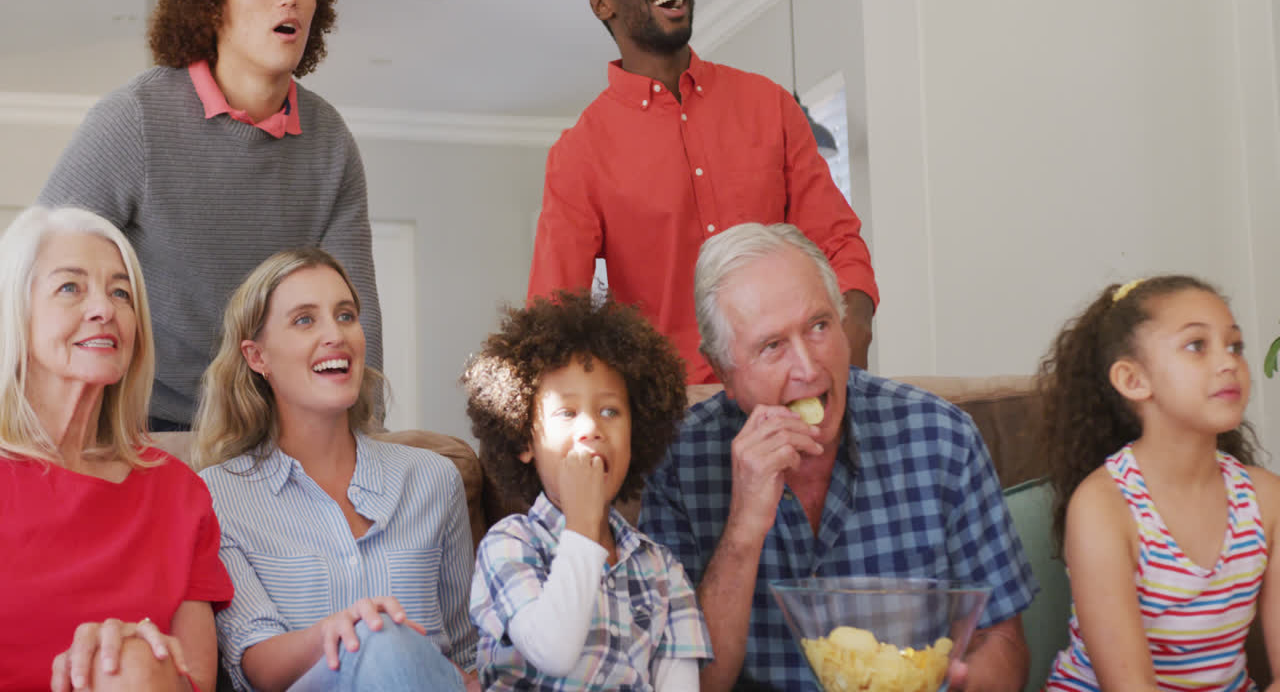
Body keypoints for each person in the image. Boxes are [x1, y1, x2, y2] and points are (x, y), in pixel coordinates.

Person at [639, 222, 1035, 692]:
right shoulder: (677, 465)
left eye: (820, 326)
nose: (808, 368)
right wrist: (744, 529)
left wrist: (968, 684)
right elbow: (691, 684)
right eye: (773, 346)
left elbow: (1000, 637)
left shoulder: (941, 437)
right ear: (725, 372)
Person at [37, 0, 381, 432]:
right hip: (138, 418)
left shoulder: (331, 141)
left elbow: (358, 312)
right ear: (212, 3)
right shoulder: (134, 118)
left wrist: (369, 437)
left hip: (268, 419)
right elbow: (37, 276)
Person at [527, 0, 878, 385]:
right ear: (602, 4)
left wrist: (852, 335)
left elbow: (838, 243)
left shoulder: (771, 106)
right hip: (673, 412)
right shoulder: (579, 154)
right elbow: (555, 316)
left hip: (794, 385)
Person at [192, 248, 475, 692]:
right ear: (256, 356)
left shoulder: (434, 479)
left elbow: (465, 652)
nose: (335, 335)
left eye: (345, 316)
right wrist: (349, 632)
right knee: (378, 640)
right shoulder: (219, 495)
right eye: (304, 320)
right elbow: (256, 664)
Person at [0, 206, 233, 692]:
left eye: (121, 293)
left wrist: (145, 663)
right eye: (71, 287)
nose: (104, 309)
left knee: (129, 663)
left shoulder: (178, 491)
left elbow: (198, 682)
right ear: (15, 313)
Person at [461, 291, 713, 690]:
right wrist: (582, 525)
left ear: (636, 435)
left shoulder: (662, 570)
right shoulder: (509, 544)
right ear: (524, 441)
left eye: (610, 411)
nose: (591, 428)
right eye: (566, 412)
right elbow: (553, 652)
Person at [1038, 276, 1279, 691]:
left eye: (1234, 345)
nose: (1228, 363)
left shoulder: (1267, 499)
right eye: (1196, 346)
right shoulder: (1103, 507)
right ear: (1133, 380)